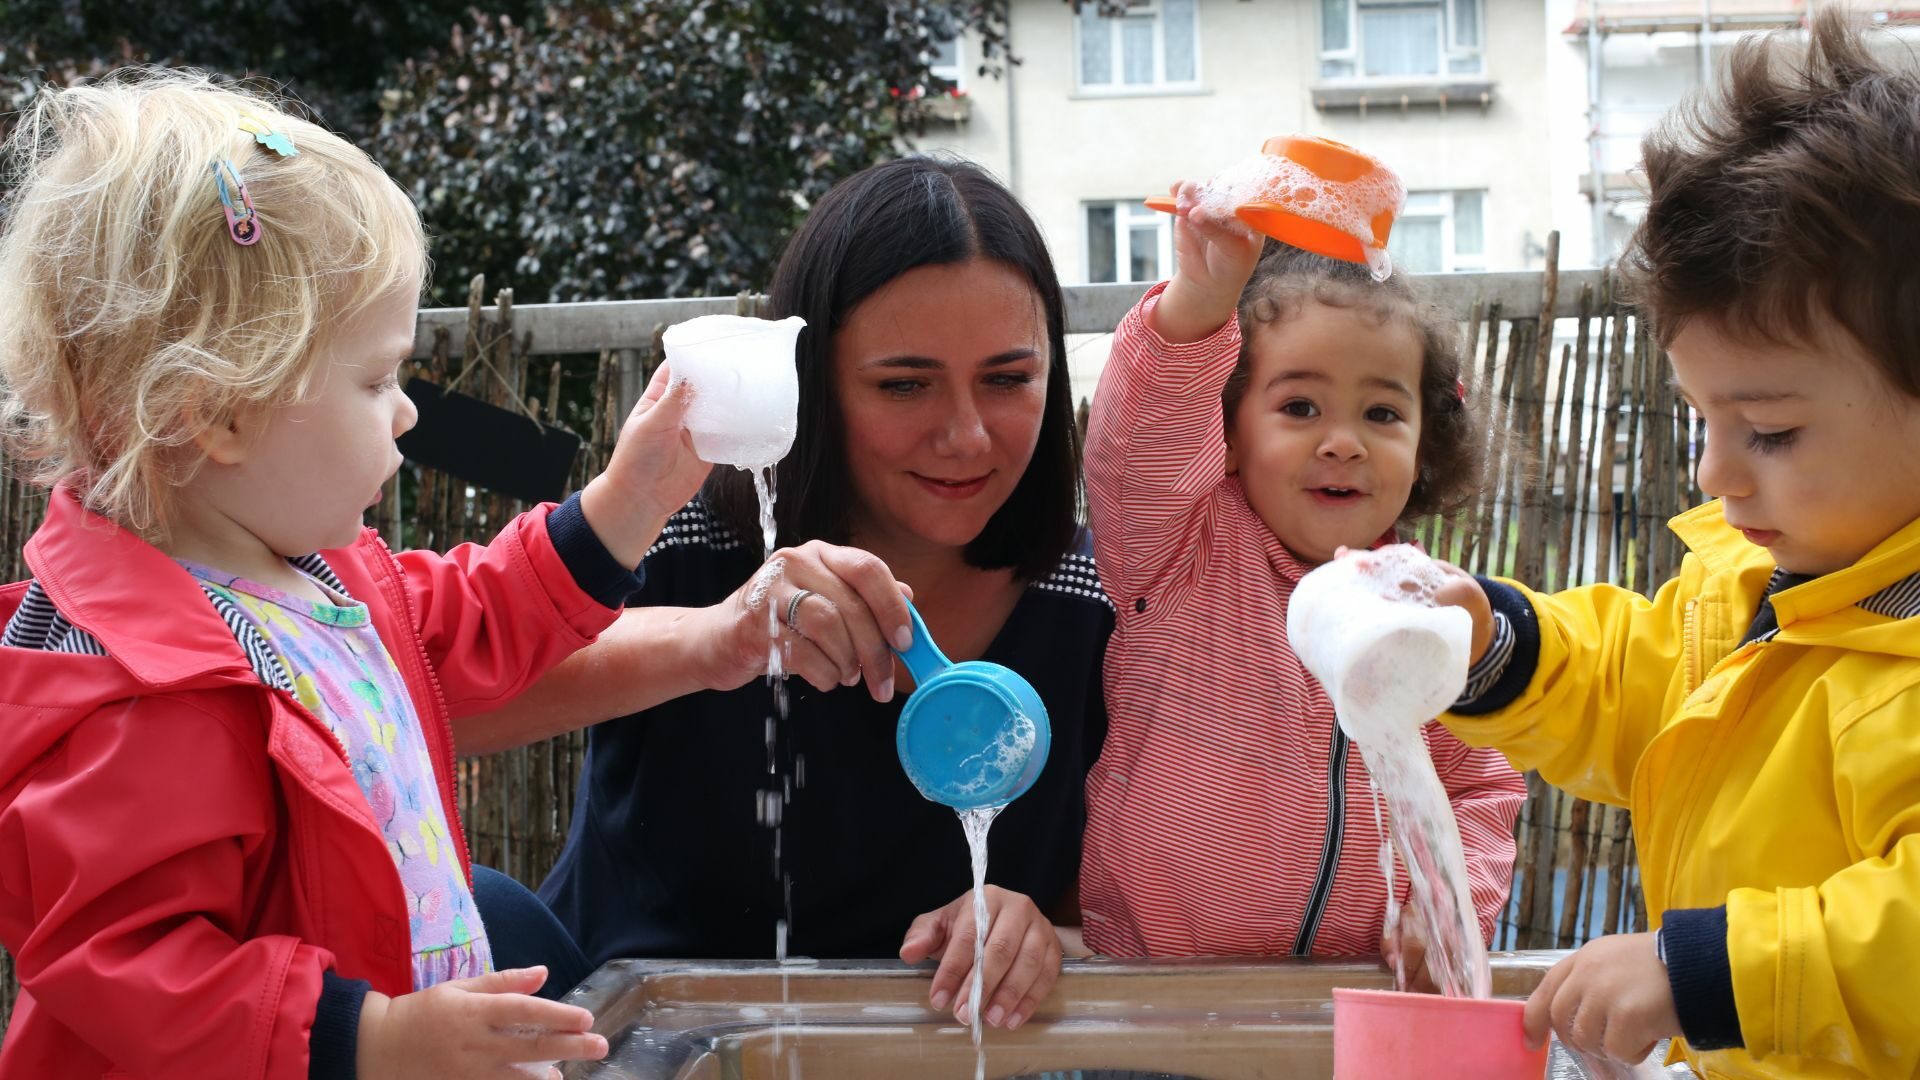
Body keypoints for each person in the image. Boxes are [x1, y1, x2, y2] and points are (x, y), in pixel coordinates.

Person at [0, 70, 711, 1079]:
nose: (411, 413)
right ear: (222, 411)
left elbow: (472, 616)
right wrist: (366, 1037)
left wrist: (626, 506)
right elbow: (124, 961)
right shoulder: (137, 684)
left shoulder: (317, 579)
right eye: (378, 380)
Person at [474, 156, 1113, 1033]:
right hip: (622, 1040)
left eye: (1008, 380)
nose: (966, 434)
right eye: (903, 384)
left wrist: (1040, 935)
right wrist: (717, 637)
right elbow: (440, 705)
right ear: (810, 382)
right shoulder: (688, 547)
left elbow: (1121, 918)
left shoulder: (1094, 607)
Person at [1418, 11, 1920, 1077]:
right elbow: (1639, 685)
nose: (1714, 473)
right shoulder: (1760, 589)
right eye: (1703, 421)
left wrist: (1706, 973)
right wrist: (1493, 643)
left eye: (1771, 432)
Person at [1077, 183, 1525, 979]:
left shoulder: (1427, 608)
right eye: (1300, 407)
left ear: (1426, 444)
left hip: (1347, 1005)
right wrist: (1199, 302)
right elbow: (1138, 437)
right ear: (1229, 429)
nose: (1343, 443)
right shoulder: (1178, 553)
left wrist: (1449, 903)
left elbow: (1482, 785)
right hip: (1155, 999)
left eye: (1382, 415)